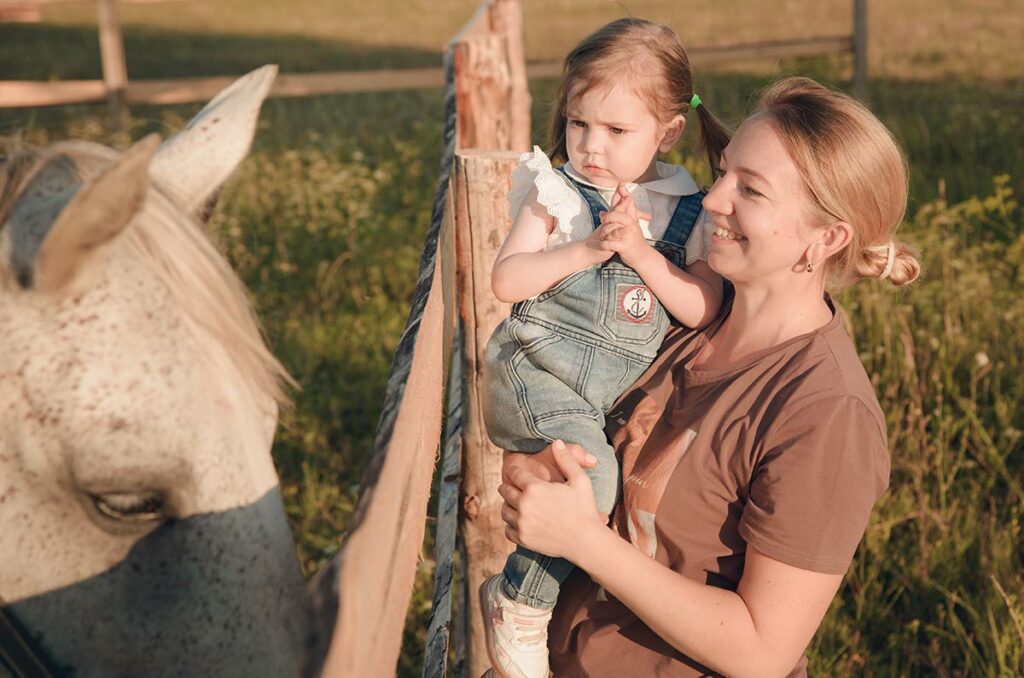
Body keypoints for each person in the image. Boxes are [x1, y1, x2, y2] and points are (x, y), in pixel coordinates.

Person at [496, 75, 921, 677]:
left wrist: (583, 540)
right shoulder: (672, 319)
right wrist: (533, 470)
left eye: (751, 189)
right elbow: (559, 416)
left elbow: (761, 652)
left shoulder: (826, 413)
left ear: (824, 240)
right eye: (724, 173)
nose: (715, 199)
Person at [479, 18, 730, 677]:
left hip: (604, 395)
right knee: (592, 480)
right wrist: (587, 248)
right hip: (536, 370)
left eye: (617, 131)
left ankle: (567, 615)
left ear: (668, 132)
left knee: (613, 490)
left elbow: (702, 305)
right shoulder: (559, 192)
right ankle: (518, 604)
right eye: (579, 123)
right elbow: (507, 279)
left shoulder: (687, 210)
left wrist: (641, 253)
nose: (592, 146)